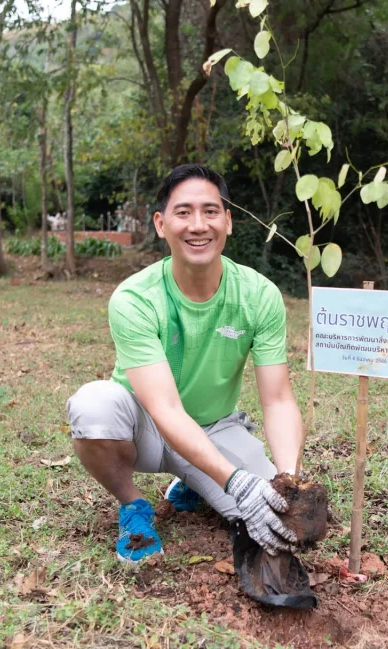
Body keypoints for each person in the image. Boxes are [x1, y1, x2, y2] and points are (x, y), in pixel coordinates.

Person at [66, 164, 304, 565]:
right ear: (161, 224)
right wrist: (233, 480)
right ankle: (133, 506)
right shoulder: (135, 298)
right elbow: (165, 410)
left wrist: (287, 483)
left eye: (211, 211)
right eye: (183, 212)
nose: (198, 225)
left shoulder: (259, 295)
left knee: (272, 514)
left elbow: (278, 400)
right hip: (145, 427)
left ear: (228, 222)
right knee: (93, 406)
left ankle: (192, 482)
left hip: (215, 428)